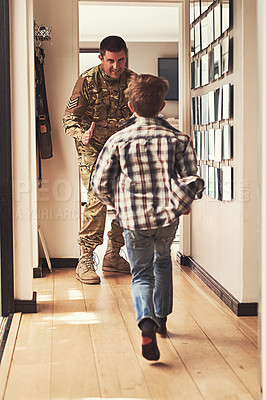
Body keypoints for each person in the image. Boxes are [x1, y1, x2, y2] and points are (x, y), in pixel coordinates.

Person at [91, 74, 204, 361]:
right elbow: (193, 179)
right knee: (163, 262)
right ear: (162, 105)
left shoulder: (118, 140)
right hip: (166, 219)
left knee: (141, 274)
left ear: (130, 106)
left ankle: (145, 321)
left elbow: (99, 183)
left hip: (133, 221)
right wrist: (180, 203)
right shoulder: (178, 138)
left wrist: (118, 208)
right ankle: (162, 319)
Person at [62, 36, 135, 285]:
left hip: (123, 147)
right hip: (92, 145)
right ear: (101, 58)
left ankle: (114, 255)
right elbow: (69, 118)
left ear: (126, 56)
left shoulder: (133, 81)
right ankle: (86, 257)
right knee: (98, 196)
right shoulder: (87, 80)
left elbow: (144, 111)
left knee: (129, 198)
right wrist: (80, 134)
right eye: (111, 61)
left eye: (121, 60)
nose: (116, 66)